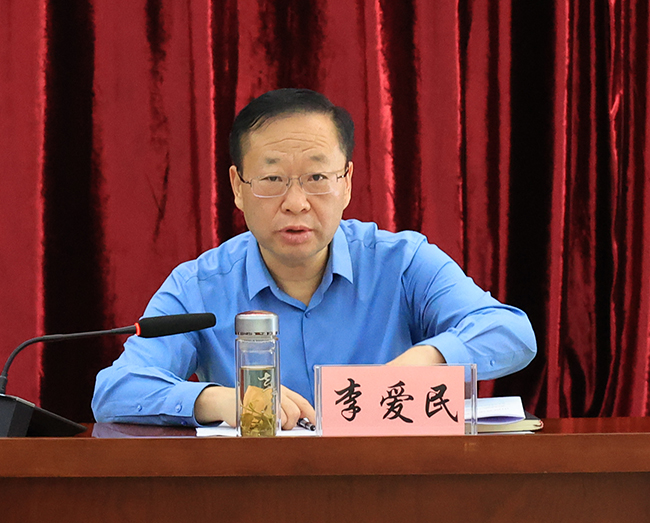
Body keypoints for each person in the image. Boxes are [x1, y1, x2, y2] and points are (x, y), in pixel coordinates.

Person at [92, 88, 536, 429]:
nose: (296, 203)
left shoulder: (402, 263)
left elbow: (511, 332)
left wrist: (428, 359)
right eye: (272, 179)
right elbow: (116, 390)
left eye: (317, 177)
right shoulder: (199, 286)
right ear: (238, 187)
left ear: (346, 182)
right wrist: (222, 400)